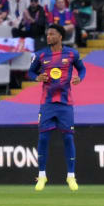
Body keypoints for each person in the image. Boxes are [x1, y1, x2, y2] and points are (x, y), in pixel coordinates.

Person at [29, 23, 83, 190]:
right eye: (47, 34)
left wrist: (79, 78)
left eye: (52, 34)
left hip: (65, 104)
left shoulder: (72, 54)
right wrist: (37, 77)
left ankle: (71, 176)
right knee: (43, 138)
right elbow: (31, 72)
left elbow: (82, 70)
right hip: (47, 103)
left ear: (60, 36)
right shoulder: (40, 55)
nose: (48, 37)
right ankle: (42, 176)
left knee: (68, 138)